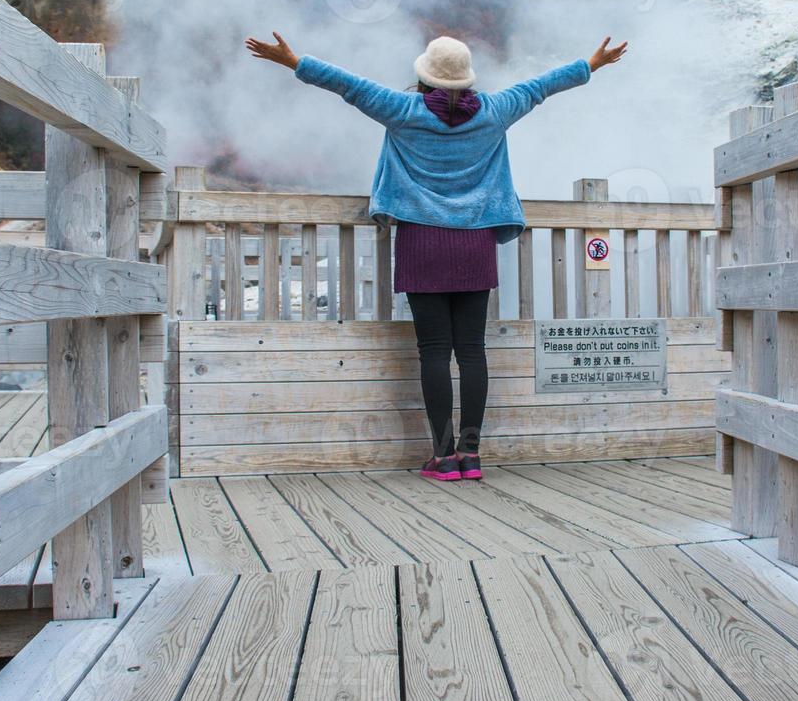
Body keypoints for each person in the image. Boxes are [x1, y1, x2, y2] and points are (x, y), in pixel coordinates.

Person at [244, 31, 628, 481]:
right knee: (471, 352)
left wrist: (293, 61)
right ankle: (471, 456)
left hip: (422, 242)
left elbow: (348, 85)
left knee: (432, 352)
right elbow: (541, 87)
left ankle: (443, 456)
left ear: (424, 78)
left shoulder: (404, 112)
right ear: (466, 80)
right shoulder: (494, 112)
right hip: (475, 243)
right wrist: (591, 64)